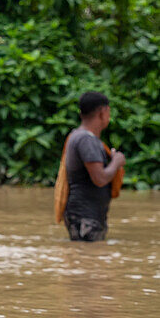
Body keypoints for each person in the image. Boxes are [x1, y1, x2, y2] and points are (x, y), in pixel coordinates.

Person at [53, 91, 125, 241]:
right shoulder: (86, 140)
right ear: (102, 112)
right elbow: (99, 178)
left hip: (84, 215)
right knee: (88, 257)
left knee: (85, 258)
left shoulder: (79, 136)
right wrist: (116, 162)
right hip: (85, 216)